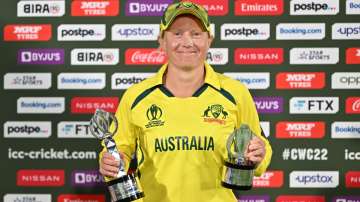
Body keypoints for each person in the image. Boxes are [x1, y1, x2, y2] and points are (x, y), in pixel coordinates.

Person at [99, 2, 272, 202]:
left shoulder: (235, 92)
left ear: (209, 40)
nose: (187, 42)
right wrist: (110, 162)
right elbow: (117, 151)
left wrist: (259, 155)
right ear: (161, 41)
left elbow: (261, 155)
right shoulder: (136, 96)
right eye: (177, 33)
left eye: (196, 34)